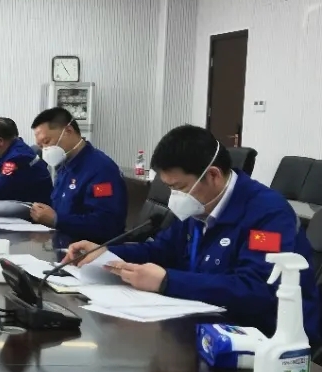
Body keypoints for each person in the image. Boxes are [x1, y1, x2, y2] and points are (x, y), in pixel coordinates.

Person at [66, 125, 321, 345]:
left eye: (179, 187)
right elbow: (162, 249)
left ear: (213, 175)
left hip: (264, 339)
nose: (175, 197)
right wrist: (105, 252)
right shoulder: (200, 204)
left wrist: (167, 282)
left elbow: (256, 289)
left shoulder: (268, 214)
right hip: (205, 322)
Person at [29, 107, 127, 243]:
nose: (45, 149)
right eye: (41, 146)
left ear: (68, 131)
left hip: (91, 249)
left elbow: (107, 223)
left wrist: (56, 220)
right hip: (63, 243)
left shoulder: (101, 169)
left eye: (47, 142)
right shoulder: (64, 166)